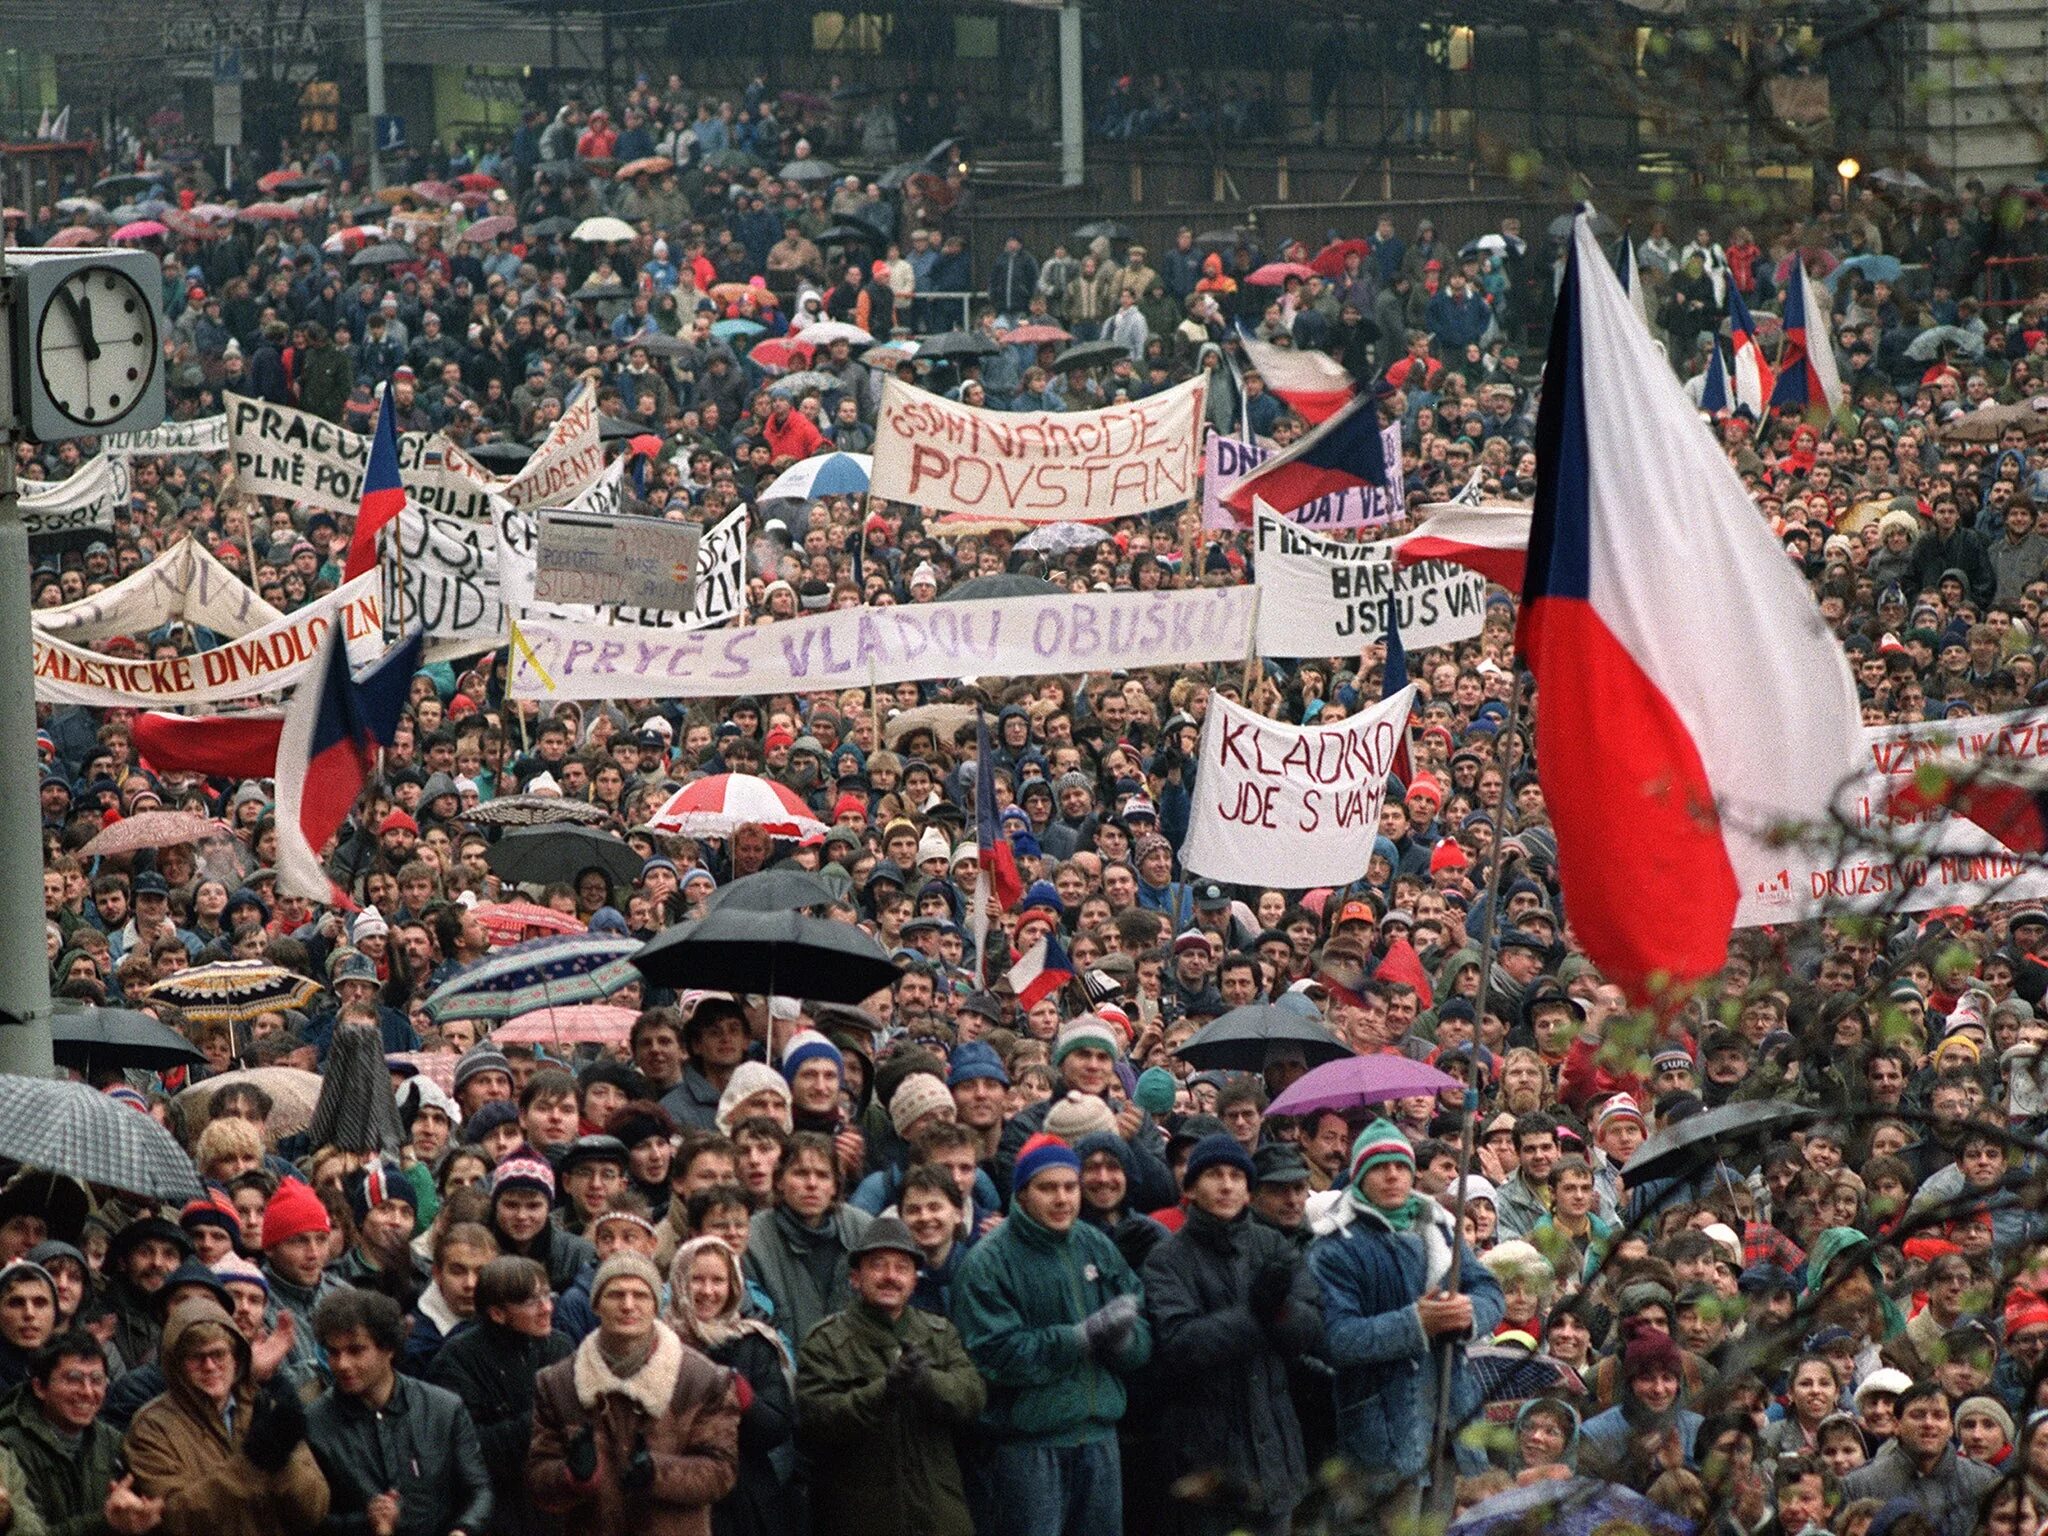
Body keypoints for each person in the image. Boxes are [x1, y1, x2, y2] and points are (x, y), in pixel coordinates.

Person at [952, 1134, 1152, 1536]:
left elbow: (1141, 1323)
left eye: (1070, 1187)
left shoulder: (1097, 1245)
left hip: (1100, 1436)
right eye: (1048, 1188)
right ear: (1023, 1194)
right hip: (1027, 1446)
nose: (1062, 1198)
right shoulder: (988, 1262)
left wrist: (1126, 1343)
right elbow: (994, 1353)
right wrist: (1079, 1338)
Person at [1307, 1119, 1504, 1515]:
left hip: (1450, 1416)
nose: (1393, 1175)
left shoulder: (1440, 1227)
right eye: (1380, 1167)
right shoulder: (1334, 1247)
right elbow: (1336, 1339)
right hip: (1383, 1431)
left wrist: (1468, 1314)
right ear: (1360, 1175)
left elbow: (1488, 1290)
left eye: (1400, 1165)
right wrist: (1416, 1324)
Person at [1141, 1134, 1324, 1536]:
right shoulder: (1168, 1260)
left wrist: (1280, 1313)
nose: (1226, 1185)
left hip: (1275, 1455)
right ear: (1190, 1188)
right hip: (1207, 1462)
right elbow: (1179, 1344)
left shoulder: (1272, 1244)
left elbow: (1310, 1327)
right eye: (1213, 1175)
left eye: (1236, 1176)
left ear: (1248, 1188)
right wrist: (1256, 1316)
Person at [795, 1216, 986, 1536]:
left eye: (901, 1267)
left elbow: (972, 1397)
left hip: (937, 1512)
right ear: (855, 1278)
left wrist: (927, 1381)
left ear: (914, 1280)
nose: (890, 1276)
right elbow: (817, 1419)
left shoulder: (939, 1333)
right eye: (878, 1265)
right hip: (859, 1516)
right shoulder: (826, 1340)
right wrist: (884, 1390)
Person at [528, 1252, 742, 1536]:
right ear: (596, 1305)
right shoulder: (557, 1383)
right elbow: (537, 1475)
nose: (628, 1306)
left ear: (655, 1304)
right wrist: (572, 1476)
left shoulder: (703, 1379)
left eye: (640, 1295)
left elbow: (721, 1471)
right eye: (616, 1295)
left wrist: (657, 1472)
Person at [122, 1298, 330, 1536]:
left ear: (236, 1358)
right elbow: (174, 1518)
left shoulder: (263, 1407)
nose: (210, 1366)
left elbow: (315, 1510)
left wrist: (283, 1462)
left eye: (218, 1354)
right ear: (177, 1364)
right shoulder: (151, 1426)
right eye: (196, 1357)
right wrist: (250, 1464)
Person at [303, 1288, 493, 1536]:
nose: (342, 1364)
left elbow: (479, 1490)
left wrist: (463, 1530)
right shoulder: (314, 1423)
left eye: (356, 1350)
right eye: (333, 1352)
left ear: (388, 1348)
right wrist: (367, 1522)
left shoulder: (443, 1409)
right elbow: (308, 1518)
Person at [427, 1257, 573, 1536]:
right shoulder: (458, 1360)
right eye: (532, 1302)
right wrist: (540, 1422)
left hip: (552, 1507)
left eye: (547, 1295)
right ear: (497, 1313)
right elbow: (463, 1446)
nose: (547, 1308)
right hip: (492, 1512)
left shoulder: (560, 1346)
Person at [664, 1238, 796, 1536]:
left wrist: (740, 1392)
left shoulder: (754, 1342)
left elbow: (776, 1427)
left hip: (744, 1503)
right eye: (697, 1279)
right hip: (675, 1497)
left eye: (718, 1280)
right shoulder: (660, 1344)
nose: (708, 1292)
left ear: (733, 1285)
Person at [0, 1330, 162, 1535]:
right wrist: (104, 1522)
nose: (87, 1392)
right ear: (40, 1387)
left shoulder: (112, 1440)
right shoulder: (11, 1445)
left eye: (96, 1380)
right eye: (73, 1379)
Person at [1841, 1380, 1998, 1536]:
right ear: (1896, 1425)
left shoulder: (1984, 1481)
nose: (1929, 1423)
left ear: (1950, 1427)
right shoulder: (1860, 1485)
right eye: (1918, 1415)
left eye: (1938, 1416)